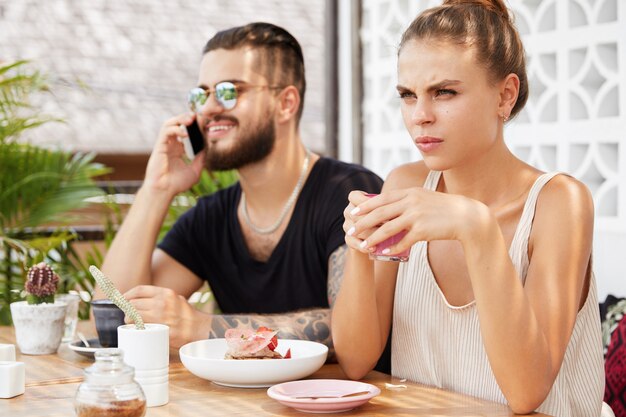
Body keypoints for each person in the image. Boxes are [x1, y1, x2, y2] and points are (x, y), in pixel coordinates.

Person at [331, 1, 605, 415]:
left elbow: (526, 392)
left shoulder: (559, 203)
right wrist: (358, 246)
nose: (420, 116)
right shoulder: (405, 186)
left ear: (504, 95)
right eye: (408, 95)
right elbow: (355, 361)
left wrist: (475, 227)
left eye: (445, 92)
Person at [97, 22, 383, 350]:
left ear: (286, 103)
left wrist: (203, 327)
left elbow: (353, 332)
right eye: (201, 95)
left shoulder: (350, 193)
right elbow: (114, 318)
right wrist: (155, 191)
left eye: (228, 92)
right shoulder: (210, 218)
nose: (208, 109)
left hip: (340, 399)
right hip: (241, 401)